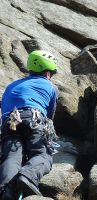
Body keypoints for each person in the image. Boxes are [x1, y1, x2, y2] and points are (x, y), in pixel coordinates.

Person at [0, 50, 59, 199]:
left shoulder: (11, 85)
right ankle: (28, 176)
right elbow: (50, 116)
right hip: (34, 118)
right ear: (47, 74)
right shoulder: (50, 86)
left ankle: (7, 190)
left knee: (12, 158)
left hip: (10, 122)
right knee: (43, 155)